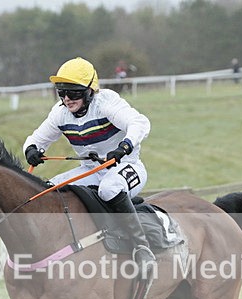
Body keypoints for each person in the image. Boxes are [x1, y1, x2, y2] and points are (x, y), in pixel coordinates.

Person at [23, 57, 155, 276]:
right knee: (49, 188)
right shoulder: (60, 113)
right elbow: (36, 139)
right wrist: (32, 150)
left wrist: (125, 146)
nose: (66, 99)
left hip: (127, 167)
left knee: (109, 189)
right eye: (61, 92)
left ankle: (142, 248)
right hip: (91, 171)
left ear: (89, 91)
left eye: (73, 93)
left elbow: (140, 123)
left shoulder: (106, 104)